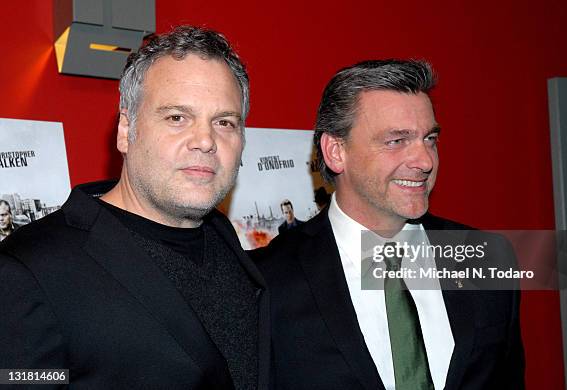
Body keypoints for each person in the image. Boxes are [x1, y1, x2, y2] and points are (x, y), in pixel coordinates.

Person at [0, 26, 269, 389]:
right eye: (177, 117)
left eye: (224, 122)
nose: (205, 140)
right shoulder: (28, 271)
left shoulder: (229, 244)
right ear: (126, 130)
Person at [253, 60, 524, 389]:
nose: (425, 161)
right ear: (336, 151)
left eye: (430, 139)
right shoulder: (265, 281)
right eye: (397, 141)